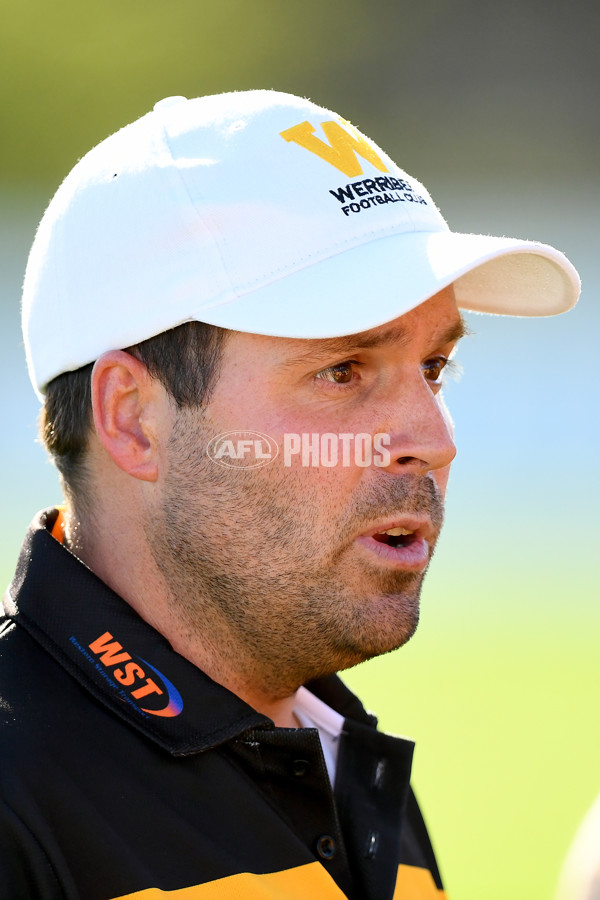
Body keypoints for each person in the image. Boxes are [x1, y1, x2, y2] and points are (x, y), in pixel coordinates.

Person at [1, 91, 580, 900]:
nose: (434, 437)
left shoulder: (340, 760)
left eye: (434, 367)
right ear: (132, 419)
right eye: (342, 371)